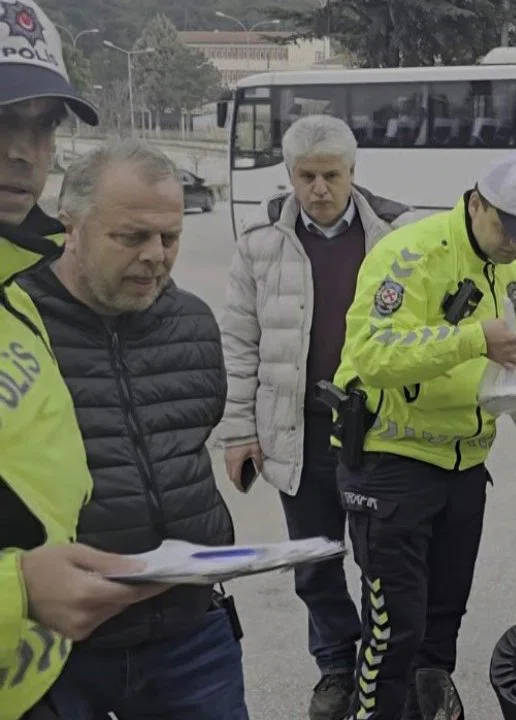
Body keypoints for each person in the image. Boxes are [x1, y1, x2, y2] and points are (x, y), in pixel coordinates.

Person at [17, 140, 245, 719]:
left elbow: (194, 439)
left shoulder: (193, 322)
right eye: (132, 236)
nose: (156, 256)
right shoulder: (17, 324)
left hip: (192, 634)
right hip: (60, 649)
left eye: (170, 237)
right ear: (71, 226)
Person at [330, 152, 516, 719]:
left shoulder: (515, 271)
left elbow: (503, 366)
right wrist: (473, 339)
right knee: (395, 628)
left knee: (440, 627)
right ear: (476, 204)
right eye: (507, 227)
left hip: (465, 466)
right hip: (391, 463)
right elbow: (371, 353)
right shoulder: (409, 253)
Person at [0, 2, 169, 717]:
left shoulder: (18, 287)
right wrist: (18, 591)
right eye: (0, 118)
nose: (24, 151)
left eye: (43, 125)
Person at [218, 114, 417, 720]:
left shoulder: (397, 236)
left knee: (384, 560)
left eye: (331, 175)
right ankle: (335, 665)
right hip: (299, 433)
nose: (319, 189)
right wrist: (239, 433)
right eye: (306, 176)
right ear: (290, 174)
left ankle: (384, 668)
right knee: (314, 560)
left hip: (379, 434)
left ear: (353, 171)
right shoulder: (260, 243)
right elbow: (239, 343)